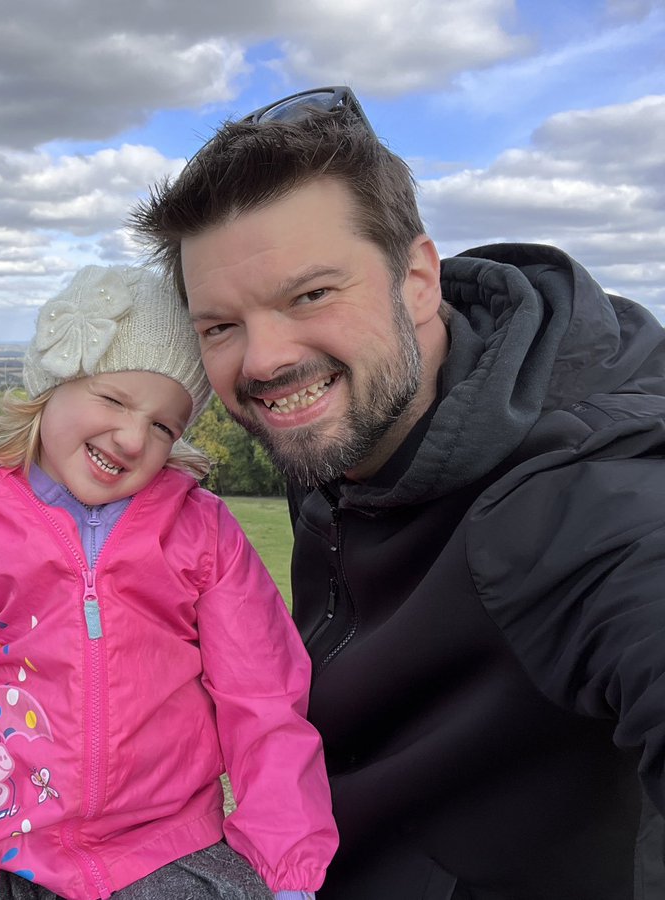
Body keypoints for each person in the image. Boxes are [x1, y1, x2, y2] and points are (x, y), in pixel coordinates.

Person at [129, 85, 665, 899]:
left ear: (417, 279)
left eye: (310, 295)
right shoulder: (346, 446)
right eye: (220, 326)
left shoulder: (578, 500)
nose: (264, 361)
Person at [0, 264, 337, 900]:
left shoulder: (203, 533)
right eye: (114, 399)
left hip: (163, 849)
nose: (132, 438)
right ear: (52, 389)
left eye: (163, 426)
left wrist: (288, 869)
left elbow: (264, 701)